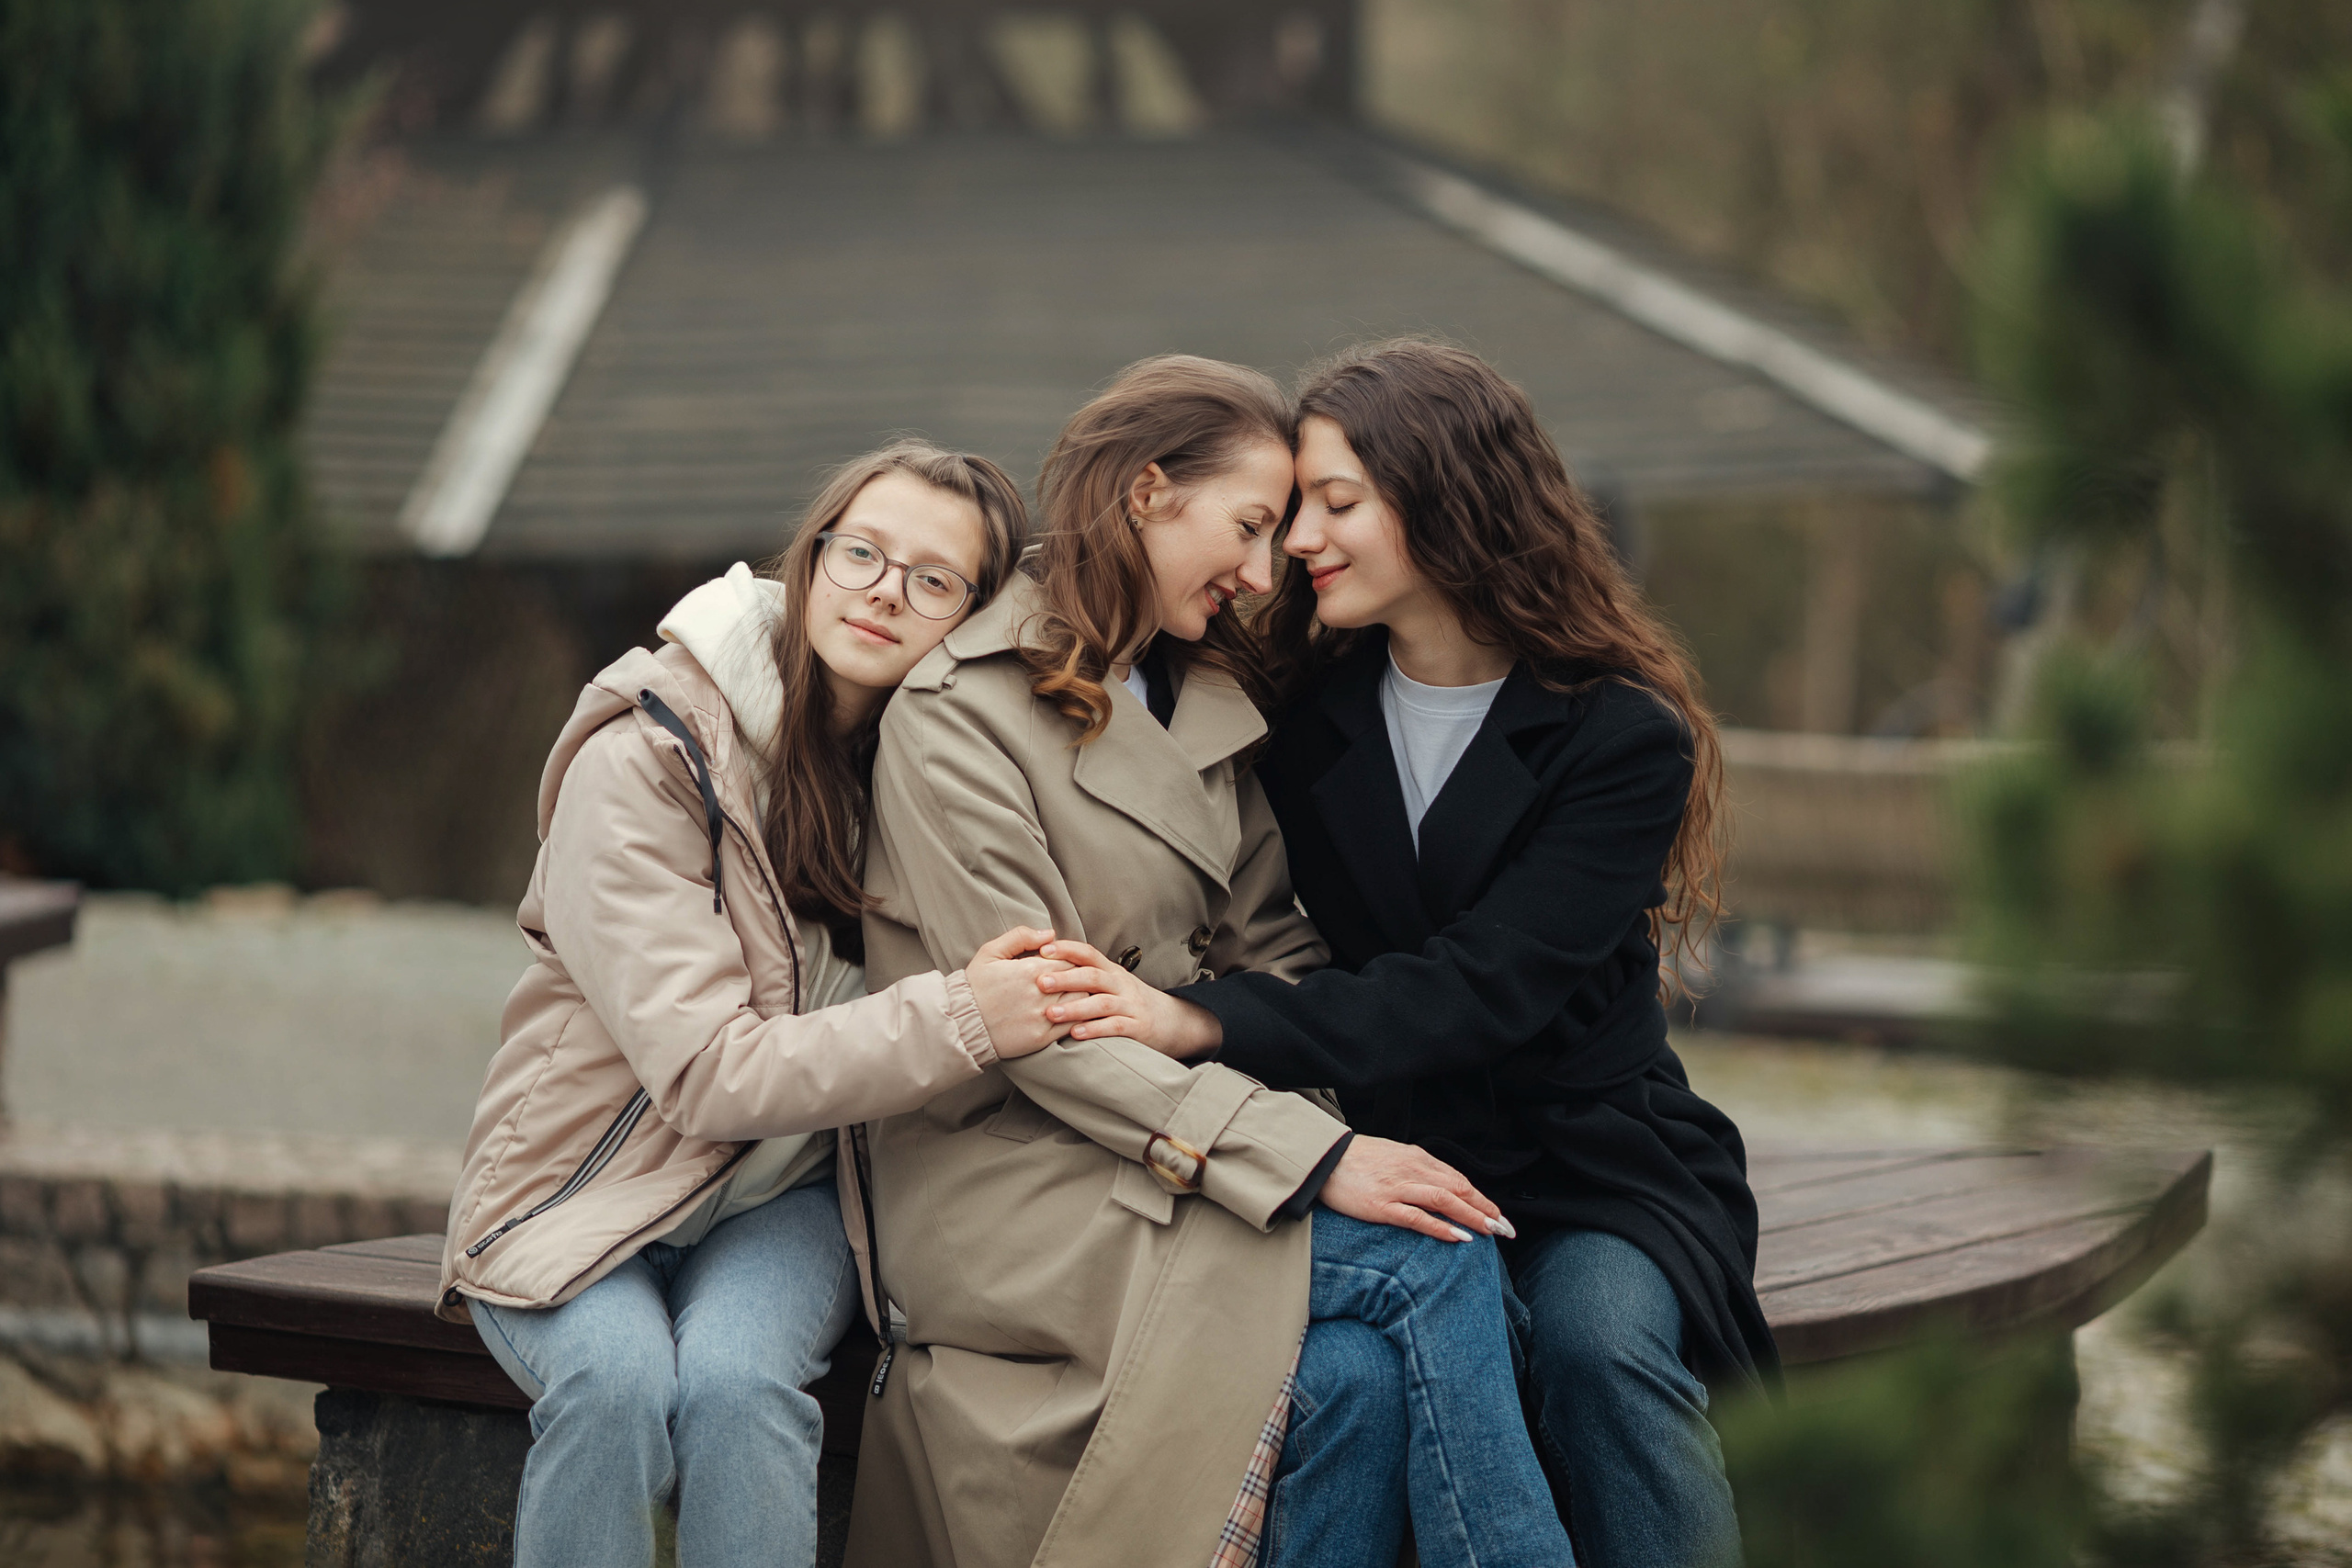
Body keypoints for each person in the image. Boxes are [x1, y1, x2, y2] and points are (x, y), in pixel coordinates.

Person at [1039, 341, 1776, 1568]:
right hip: (1366, 1148)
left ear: (1446, 501)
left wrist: (1202, 1017)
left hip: (1588, 1161)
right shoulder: (1291, 708)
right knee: (1358, 1371)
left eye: (1336, 504)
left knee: (1598, 1347)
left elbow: (1487, 985)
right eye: (1291, 511)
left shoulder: (1619, 737)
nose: (1297, 543)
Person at [845, 355, 1574, 1568]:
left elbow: (1275, 955)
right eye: (1248, 526)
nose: (1267, 569)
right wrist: (1317, 1158)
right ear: (1146, 492)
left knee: (1355, 1376)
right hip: (1016, 1176)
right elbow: (1039, 1029)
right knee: (1430, 1261)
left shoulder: (1204, 700)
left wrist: (1298, 1118)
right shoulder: (957, 711)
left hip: (1175, 1138)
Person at [436, 442, 1069, 1568]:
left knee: (739, 1386)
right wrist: (966, 1017)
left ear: (971, 620)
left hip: (786, 1199)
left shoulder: (936, 768)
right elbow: (707, 1073)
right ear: (811, 556)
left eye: (933, 580)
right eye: (862, 553)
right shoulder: (648, 757)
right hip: (582, 1189)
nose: (885, 592)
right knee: (616, 1385)